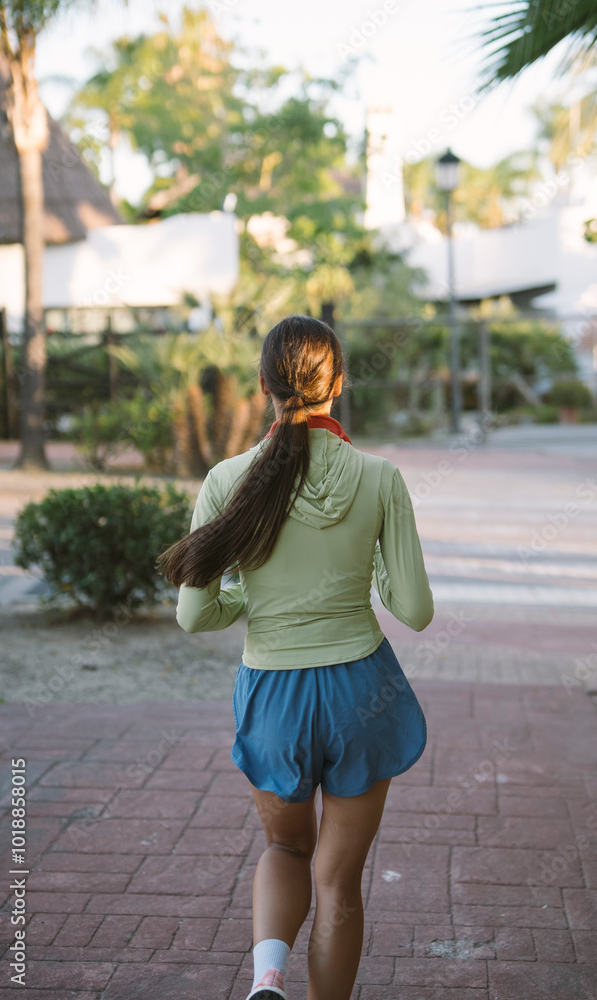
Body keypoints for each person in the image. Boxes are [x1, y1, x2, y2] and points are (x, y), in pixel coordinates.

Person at [158, 314, 434, 1000]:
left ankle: (267, 980)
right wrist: (364, 576)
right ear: (337, 385)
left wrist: (251, 602)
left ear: (262, 385)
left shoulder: (226, 479)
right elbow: (416, 609)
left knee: (285, 849)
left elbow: (195, 615)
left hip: (273, 696)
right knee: (338, 879)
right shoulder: (380, 478)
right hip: (361, 693)